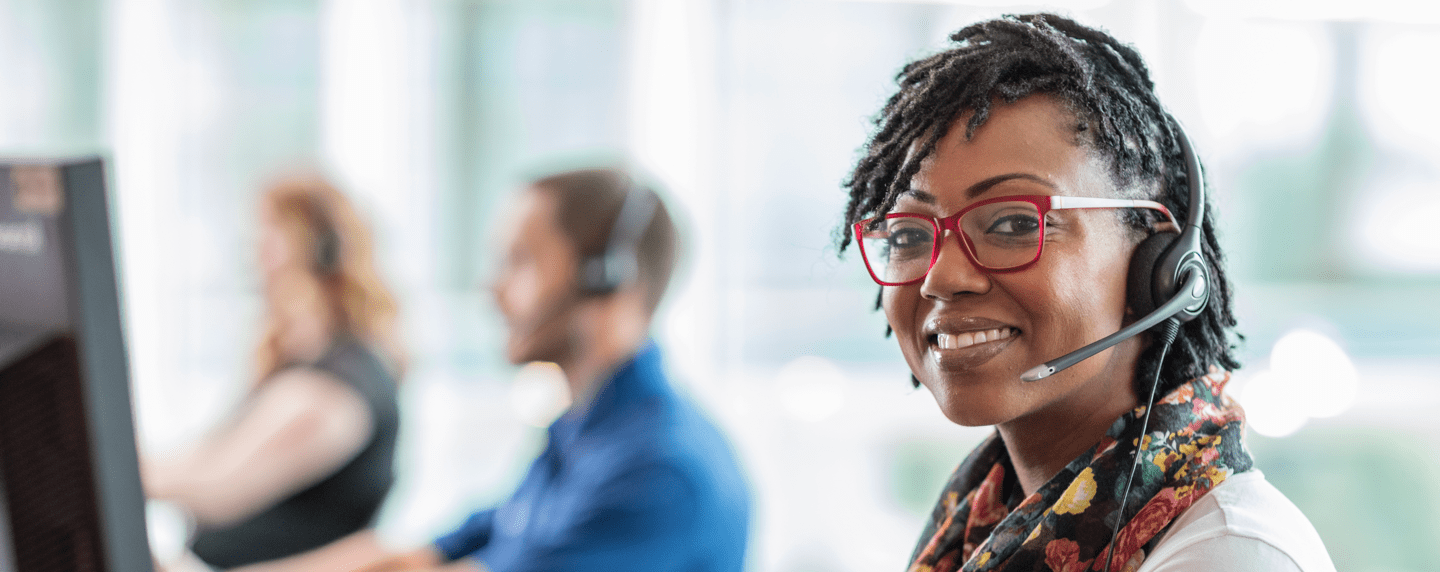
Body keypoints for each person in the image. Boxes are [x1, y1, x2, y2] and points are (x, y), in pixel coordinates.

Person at [839, 14, 1334, 572]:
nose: (941, 277)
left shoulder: (1228, 556)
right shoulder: (983, 521)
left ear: (1159, 268)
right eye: (908, 234)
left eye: (1014, 224)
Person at [234, 167, 751, 572]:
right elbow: (418, 555)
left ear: (607, 280)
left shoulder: (659, 470)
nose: (494, 290)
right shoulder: (582, 435)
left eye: (520, 262)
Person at [144, 176, 406, 569]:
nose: (254, 252)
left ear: (319, 251)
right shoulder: (292, 367)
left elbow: (220, 488)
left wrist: (105, 472)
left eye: (270, 234)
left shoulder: (341, 383)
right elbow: (203, 459)